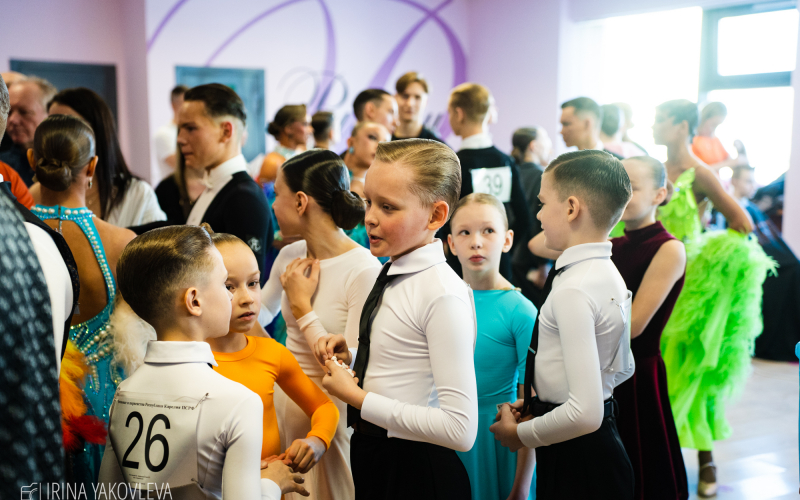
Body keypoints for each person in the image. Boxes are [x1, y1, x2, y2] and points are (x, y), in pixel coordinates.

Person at [314, 139, 479, 500]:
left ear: (435, 216)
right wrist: (353, 355)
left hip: (417, 470)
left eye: (387, 207)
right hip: (377, 457)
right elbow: (405, 363)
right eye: (368, 201)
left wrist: (358, 398)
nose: (370, 217)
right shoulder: (392, 270)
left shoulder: (441, 294)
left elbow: (460, 429)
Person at [98, 225, 309, 500]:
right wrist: (271, 483)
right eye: (225, 285)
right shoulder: (239, 401)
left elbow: (109, 494)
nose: (232, 296)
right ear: (194, 301)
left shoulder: (124, 393)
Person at [490, 150, 635, 499]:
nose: (538, 215)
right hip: (595, 444)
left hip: (580, 458)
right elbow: (623, 367)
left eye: (542, 203)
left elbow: (585, 415)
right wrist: (542, 406)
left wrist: (519, 435)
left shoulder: (574, 287)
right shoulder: (606, 272)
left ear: (571, 208)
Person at [653, 99, 773, 497]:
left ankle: (706, 460)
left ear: (682, 126)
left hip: (686, 288)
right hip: (649, 280)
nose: (654, 125)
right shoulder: (654, 171)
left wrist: (705, 259)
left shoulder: (700, 173)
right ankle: (654, 453)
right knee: (653, 370)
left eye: (661, 119)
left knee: (688, 369)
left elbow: (742, 222)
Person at [262, 149, 381, 500]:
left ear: (300, 201)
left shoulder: (363, 269)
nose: (272, 206)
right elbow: (258, 314)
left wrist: (302, 307)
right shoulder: (289, 254)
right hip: (283, 401)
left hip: (331, 414)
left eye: (277, 195)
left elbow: (348, 365)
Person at [28, 114, 138, 489]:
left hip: (32, 392)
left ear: (32, 160)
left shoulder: (14, 235)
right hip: (102, 398)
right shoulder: (119, 242)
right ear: (91, 166)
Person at [204, 226, 340, 478]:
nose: (247, 298)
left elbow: (323, 406)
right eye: (229, 287)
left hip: (271, 491)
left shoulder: (272, 353)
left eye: (253, 283)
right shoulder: (189, 363)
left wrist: (317, 441)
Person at [448, 193, 537, 500]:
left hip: (498, 437)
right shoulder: (442, 302)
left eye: (488, 230)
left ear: (507, 239)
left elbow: (531, 407)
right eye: (465, 232)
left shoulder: (521, 311)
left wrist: (521, 487)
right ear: (450, 243)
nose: (476, 242)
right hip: (447, 430)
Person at [608, 157, 688, 500]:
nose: (621, 195)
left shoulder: (669, 248)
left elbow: (635, 325)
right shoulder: (612, 244)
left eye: (631, 188)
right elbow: (539, 245)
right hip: (607, 365)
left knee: (642, 464)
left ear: (659, 194)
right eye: (616, 187)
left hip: (637, 370)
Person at [182, 83, 273, 278]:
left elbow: (245, 285)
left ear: (226, 132)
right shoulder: (217, 187)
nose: (180, 139)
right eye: (180, 129)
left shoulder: (244, 198)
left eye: (190, 128)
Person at [42, 87, 167, 227]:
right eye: (51, 126)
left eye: (70, 127)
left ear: (97, 130)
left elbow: (158, 239)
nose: (58, 137)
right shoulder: (39, 192)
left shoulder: (138, 194)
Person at [446, 83, 531, 283]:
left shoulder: (454, 164)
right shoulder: (506, 161)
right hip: (501, 264)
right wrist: (500, 245)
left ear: (459, 113)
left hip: (462, 267)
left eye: (449, 113)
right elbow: (523, 217)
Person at [728, 165, 800, 362]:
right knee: (790, 273)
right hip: (750, 259)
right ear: (734, 181)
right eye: (748, 181)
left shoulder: (751, 207)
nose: (752, 186)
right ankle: (777, 343)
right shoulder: (730, 206)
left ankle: (791, 340)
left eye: (753, 181)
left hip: (769, 256)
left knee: (796, 268)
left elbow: (772, 239)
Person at [509, 126, 552, 309]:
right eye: (546, 139)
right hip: (530, 261)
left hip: (508, 255)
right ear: (534, 146)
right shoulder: (541, 177)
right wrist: (543, 264)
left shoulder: (511, 172)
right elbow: (538, 221)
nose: (550, 146)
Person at [1, 77, 57, 185]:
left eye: (24, 112)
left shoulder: (66, 164)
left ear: (51, 114)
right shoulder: (2, 165)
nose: (13, 120)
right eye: (8, 112)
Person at [260, 104, 312, 185]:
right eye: (305, 124)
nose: (311, 130)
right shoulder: (272, 163)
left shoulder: (304, 152)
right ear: (289, 128)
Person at [559, 97, 623, 159]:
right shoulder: (564, 164)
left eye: (566, 124)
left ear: (587, 124)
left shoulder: (618, 164)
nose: (561, 132)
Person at [692, 102, 746, 172]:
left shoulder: (714, 140)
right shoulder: (692, 140)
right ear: (704, 119)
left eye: (717, 126)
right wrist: (727, 163)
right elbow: (696, 171)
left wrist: (739, 157)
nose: (713, 129)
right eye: (713, 125)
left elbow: (729, 160)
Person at [343, 121, 391, 199]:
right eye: (373, 138)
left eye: (385, 144)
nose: (379, 147)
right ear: (351, 142)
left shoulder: (378, 195)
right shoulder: (329, 176)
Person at [392, 71, 442, 141]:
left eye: (417, 97)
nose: (410, 104)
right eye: (405, 96)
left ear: (426, 102)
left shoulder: (436, 145)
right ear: (395, 98)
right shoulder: (381, 140)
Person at [153, 84, 188, 180]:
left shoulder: (194, 131)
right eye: (184, 103)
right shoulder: (163, 134)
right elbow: (180, 165)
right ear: (173, 105)